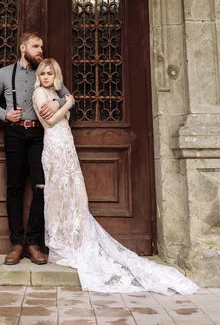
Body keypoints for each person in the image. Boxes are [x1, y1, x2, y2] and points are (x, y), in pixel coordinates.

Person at [32, 58, 199, 295]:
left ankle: (74, 242)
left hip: (66, 144)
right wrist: (68, 105)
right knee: (58, 194)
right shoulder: (39, 92)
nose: (46, 77)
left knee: (75, 195)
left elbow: (61, 114)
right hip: (54, 146)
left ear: (55, 75)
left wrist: (64, 102)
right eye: (43, 73)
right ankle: (60, 248)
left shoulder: (55, 93)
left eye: (50, 73)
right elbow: (50, 120)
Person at [0, 32, 71, 266]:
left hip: (39, 135)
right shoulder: (4, 74)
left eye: (41, 46)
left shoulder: (44, 72)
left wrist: (57, 102)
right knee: (14, 187)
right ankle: (17, 243)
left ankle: (33, 243)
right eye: (36, 46)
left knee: (41, 187)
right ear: (23, 48)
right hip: (14, 133)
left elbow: (68, 96)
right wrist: (5, 115)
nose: (40, 50)